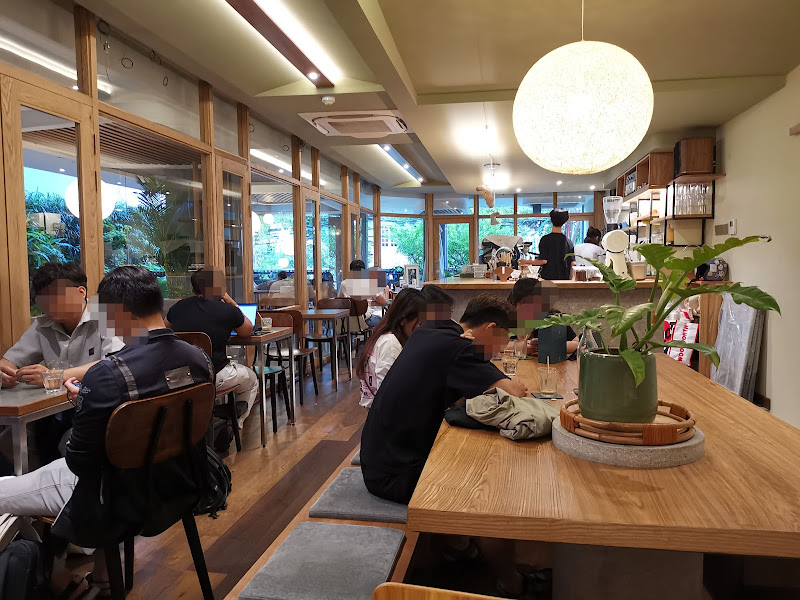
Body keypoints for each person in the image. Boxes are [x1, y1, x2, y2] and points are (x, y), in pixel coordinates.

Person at [0, 266, 214, 597]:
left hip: (114, 494)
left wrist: (85, 403)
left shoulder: (110, 374)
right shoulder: (198, 358)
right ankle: (81, 573)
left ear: (116, 312)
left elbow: (79, 462)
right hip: (179, 482)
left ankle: (45, 573)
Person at [361, 293, 527, 505]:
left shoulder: (430, 330)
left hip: (378, 461)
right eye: (505, 337)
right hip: (398, 475)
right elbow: (512, 392)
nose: (503, 348)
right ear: (490, 328)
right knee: (493, 481)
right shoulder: (460, 349)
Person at [0, 262, 123, 389]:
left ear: (81, 292)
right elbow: (9, 362)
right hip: (61, 403)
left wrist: (54, 375)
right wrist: (4, 375)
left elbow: (115, 363)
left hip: (102, 397)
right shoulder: (42, 324)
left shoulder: (106, 314)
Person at [166, 268, 258, 433]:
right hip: (214, 375)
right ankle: (233, 425)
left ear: (194, 288)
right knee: (251, 379)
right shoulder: (228, 310)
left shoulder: (178, 307)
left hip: (181, 376)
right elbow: (247, 330)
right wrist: (233, 303)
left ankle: (209, 420)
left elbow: (165, 330)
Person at [355, 288, 425, 408]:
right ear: (403, 320)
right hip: (385, 415)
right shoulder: (390, 343)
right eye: (420, 324)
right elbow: (388, 393)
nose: (423, 329)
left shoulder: (387, 335)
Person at [508, 278, 578, 356]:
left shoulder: (553, 319)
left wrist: (547, 347)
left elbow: (577, 344)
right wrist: (519, 346)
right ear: (515, 303)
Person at [339, 260, 388, 327]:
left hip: (348, 321)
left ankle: (354, 337)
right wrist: (370, 302)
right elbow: (383, 301)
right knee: (385, 322)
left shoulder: (344, 283)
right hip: (365, 321)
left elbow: (340, 300)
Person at [534, 209, 575, 280]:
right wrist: (570, 281)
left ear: (551, 220)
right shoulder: (569, 242)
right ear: (565, 222)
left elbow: (543, 261)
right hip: (563, 281)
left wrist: (526, 261)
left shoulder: (545, 239)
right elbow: (573, 263)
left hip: (547, 280)